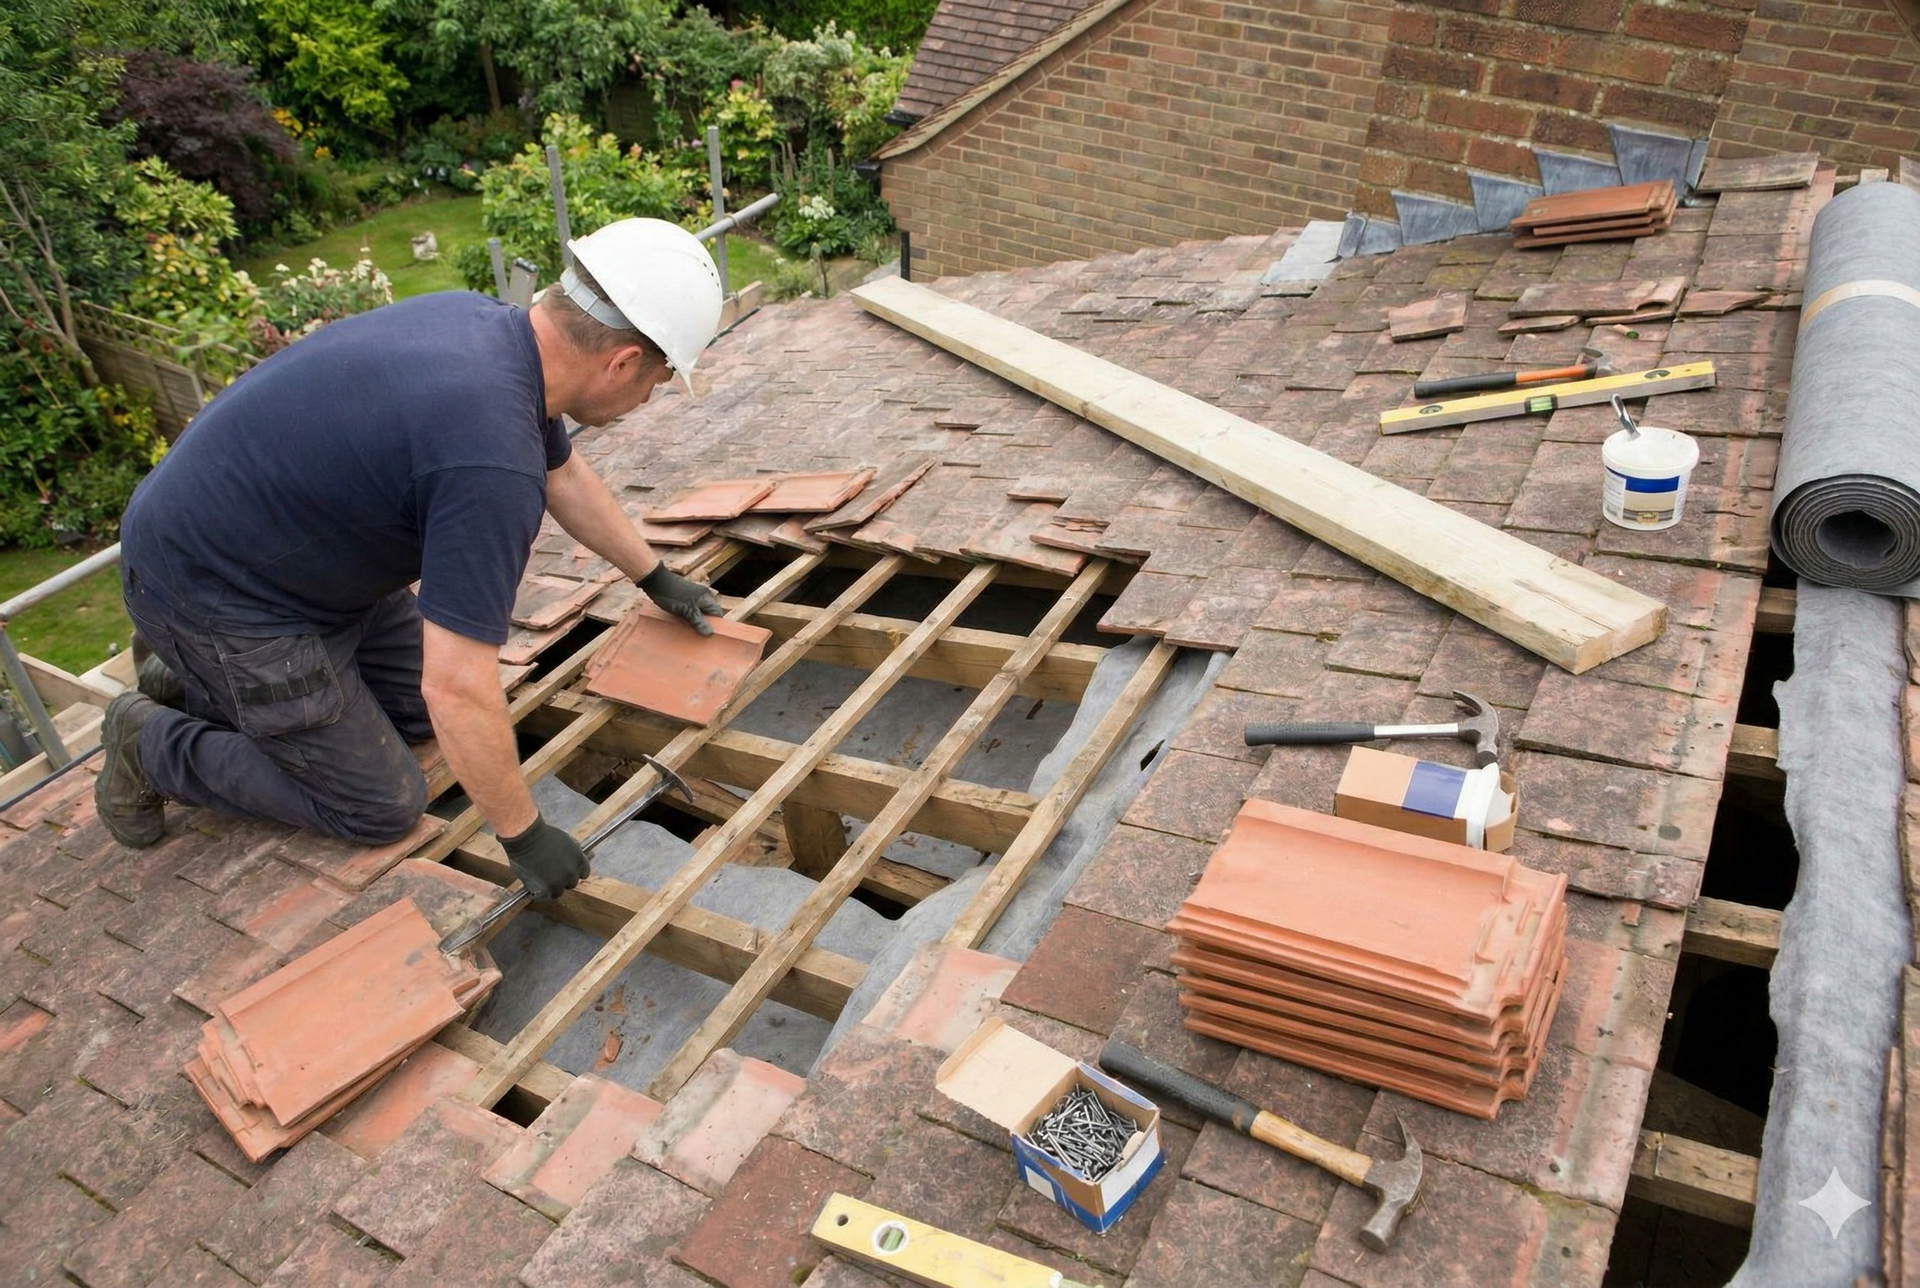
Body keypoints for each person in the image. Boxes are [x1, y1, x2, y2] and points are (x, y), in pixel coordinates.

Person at [98, 218, 726, 906]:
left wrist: (655, 576)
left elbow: (564, 476)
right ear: (622, 360)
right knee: (379, 804)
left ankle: (192, 678)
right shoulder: (488, 459)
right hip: (213, 590)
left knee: (421, 729)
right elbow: (456, 685)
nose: (647, 401)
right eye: (658, 383)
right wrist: (523, 834)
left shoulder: (491, 333)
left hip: (290, 560)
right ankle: (149, 740)